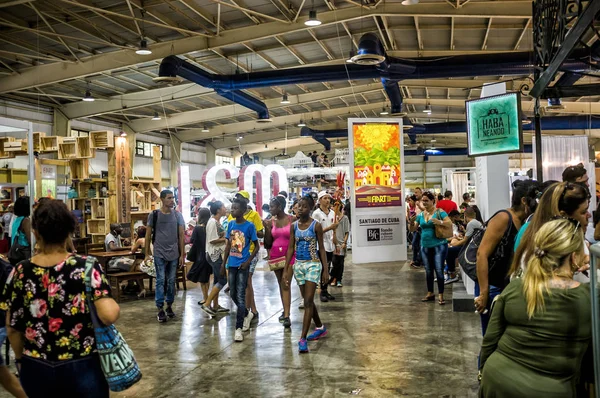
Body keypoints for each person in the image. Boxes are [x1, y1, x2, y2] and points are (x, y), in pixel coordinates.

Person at [1, 200, 120, 397]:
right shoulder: (86, 267)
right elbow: (109, 315)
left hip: (36, 365)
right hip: (82, 363)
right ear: (69, 231)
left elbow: (12, 327)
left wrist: (22, 361)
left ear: (35, 232)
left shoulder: (21, 271)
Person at [479, 219, 590, 398]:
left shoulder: (516, 287)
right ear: (573, 256)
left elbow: (490, 340)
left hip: (497, 380)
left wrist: (484, 374)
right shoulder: (587, 298)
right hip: (551, 389)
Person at [474, 179, 540, 335]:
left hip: (504, 284)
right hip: (491, 285)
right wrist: (483, 293)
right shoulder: (504, 217)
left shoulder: (525, 221)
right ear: (524, 200)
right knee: (491, 337)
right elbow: (481, 254)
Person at [510, 182, 590, 279]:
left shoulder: (529, 233)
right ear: (563, 216)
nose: (588, 215)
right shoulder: (561, 246)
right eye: (583, 212)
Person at [283, 195, 330, 353]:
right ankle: (320, 327)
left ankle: (302, 338)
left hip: (313, 265)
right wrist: (285, 270)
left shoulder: (316, 226)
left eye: (303, 206)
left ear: (310, 208)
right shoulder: (294, 226)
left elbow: (321, 248)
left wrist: (325, 269)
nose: (299, 209)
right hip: (299, 266)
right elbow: (290, 248)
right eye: (298, 206)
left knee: (308, 301)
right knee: (308, 300)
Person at [145, 190, 185, 323]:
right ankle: (160, 308)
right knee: (161, 280)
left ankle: (169, 305)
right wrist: (146, 254)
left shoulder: (178, 215)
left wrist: (182, 254)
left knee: (171, 280)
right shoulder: (154, 215)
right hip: (159, 253)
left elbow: (181, 235)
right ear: (162, 199)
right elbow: (148, 235)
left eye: (173, 197)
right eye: (169, 198)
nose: (172, 200)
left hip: (174, 253)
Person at [223, 199, 259, 342]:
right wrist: (223, 264)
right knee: (232, 292)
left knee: (240, 294)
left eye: (236, 208)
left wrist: (248, 262)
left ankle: (238, 328)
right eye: (232, 208)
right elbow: (228, 246)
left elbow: (256, 246)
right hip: (231, 264)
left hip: (243, 265)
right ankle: (247, 313)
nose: (233, 210)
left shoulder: (249, 226)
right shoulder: (231, 224)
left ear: (243, 210)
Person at [408, 192, 452, 305]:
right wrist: (411, 223)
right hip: (425, 245)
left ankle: (441, 295)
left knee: (438, 269)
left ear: (433, 201)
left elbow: (449, 223)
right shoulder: (421, 214)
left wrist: (439, 222)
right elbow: (413, 229)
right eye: (423, 201)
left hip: (439, 245)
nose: (424, 202)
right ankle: (430, 293)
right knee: (428, 270)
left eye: (427, 200)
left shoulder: (439, 212)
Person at [228, 190, 264, 330]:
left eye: (241, 198)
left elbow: (260, 233)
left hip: (248, 253)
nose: (237, 200)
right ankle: (248, 311)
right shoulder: (232, 218)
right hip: (234, 255)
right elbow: (229, 239)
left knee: (247, 281)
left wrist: (250, 229)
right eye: (236, 198)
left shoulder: (253, 216)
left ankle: (250, 310)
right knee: (235, 287)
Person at [264, 196, 294, 328]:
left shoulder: (292, 220)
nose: (270, 209)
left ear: (280, 207)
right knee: (281, 284)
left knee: (286, 282)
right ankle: (285, 310)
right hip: (275, 256)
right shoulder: (271, 222)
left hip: (290, 255)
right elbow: (267, 243)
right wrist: (267, 229)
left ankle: (287, 315)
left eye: (272, 206)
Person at [200, 201, 229, 316]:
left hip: (216, 254)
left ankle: (215, 305)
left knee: (217, 279)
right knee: (223, 280)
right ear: (218, 210)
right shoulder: (212, 222)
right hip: (214, 255)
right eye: (223, 207)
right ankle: (207, 303)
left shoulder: (216, 222)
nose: (225, 208)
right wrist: (226, 239)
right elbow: (212, 240)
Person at [312, 191, 338, 302]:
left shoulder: (332, 213)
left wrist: (335, 240)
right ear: (319, 200)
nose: (327, 200)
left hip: (330, 244)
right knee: (323, 268)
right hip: (321, 245)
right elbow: (315, 231)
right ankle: (322, 290)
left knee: (329, 267)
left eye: (328, 198)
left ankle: (325, 289)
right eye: (325, 198)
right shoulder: (316, 214)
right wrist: (329, 228)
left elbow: (334, 228)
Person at [446, 207, 482, 284]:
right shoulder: (476, 222)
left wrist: (455, 243)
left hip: (471, 248)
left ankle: (452, 274)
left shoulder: (471, 223)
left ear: (465, 215)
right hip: (473, 246)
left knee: (449, 251)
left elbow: (465, 240)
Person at [187, 208, 212, 305]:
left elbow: (192, 241)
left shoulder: (197, 228)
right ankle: (207, 297)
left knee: (202, 279)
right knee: (207, 277)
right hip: (209, 255)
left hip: (200, 256)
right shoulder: (210, 227)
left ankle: (205, 298)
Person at [329, 200, 350, 287]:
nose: (335, 207)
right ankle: (333, 277)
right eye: (334, 206)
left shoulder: (345, 218)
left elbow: (346, 232)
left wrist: (344, 242)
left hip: (341, 244)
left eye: (336, 206)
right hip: (333, 243)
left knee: (340, 263)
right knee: (334, 262)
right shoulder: (331, 217)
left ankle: (338, 279)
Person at [9, 196, 31, 265]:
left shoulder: (17, 219)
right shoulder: (26, 220)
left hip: (15, 252)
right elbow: (30, 240)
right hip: (23, 254)